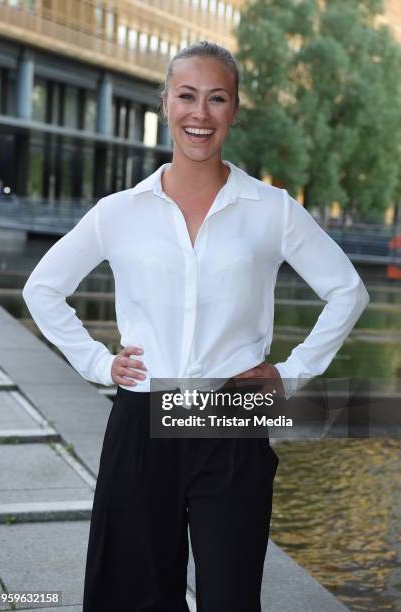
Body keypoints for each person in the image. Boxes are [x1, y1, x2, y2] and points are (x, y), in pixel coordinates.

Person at [22, 41, 369, 611]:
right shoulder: (120, 211)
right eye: (187, 96)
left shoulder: (271, 208)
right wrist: (97, 363)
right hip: (142, 414)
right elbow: (42, 288)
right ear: (165, 103)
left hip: (233, 415)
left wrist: (291, 375)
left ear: (234, 110)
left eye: (216, 99)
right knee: (134, 596)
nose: (199, 114)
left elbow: (347, 291)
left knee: (230, 597)